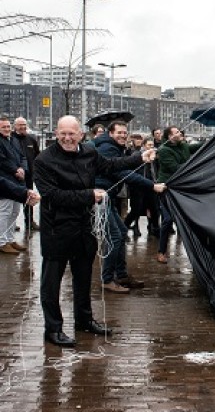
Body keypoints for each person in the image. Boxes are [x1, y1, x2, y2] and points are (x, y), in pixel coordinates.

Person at [33, 115, 157, 347]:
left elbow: (110, 165)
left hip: (84, 226)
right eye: (63, 134)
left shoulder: (89, 152)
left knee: (83, 276)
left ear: (81, 134)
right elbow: (53, 195)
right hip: (57, 228)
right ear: (56, 134)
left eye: (72, 133)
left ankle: (84, 320)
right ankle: (53, 328)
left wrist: (139, 157)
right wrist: (90, 195)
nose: (68, 138)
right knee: (51, 282)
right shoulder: (43, 160)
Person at [94, 121, 166, 292]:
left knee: (122, 232)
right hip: (100, 197)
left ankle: (122, 275)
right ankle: (108, 279)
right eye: (119, 132)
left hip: (108, 197)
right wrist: (151, 185)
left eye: (125, 133)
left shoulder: (113, 147)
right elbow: (121, 172)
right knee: (115, 237)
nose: (123, 135)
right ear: (110, 133)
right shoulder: (106, 149)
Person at [155, 126, 191, 264]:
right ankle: (161, 251)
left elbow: (201, 146)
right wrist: (192, 165)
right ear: (169, 136)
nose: (179, 133)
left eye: (179, 131)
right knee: (167, 220)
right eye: (176, 132)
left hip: (181, 188)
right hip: (166, 188)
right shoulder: (164, 150)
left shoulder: (183, 146)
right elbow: (175, 168)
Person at [0, 115, 28, 253]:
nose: (6, 129)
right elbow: (2, 161)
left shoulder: (13, 140)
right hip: (5, 182)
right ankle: (2, 241)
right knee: (5, 212)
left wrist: (23, 169)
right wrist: (16, 170)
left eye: (7, 126)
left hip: (18, 181)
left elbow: (23, 156)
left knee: (14, 212)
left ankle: (10, 239)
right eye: (3, 127)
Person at [124, 136, 160, 238]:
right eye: (149, 145)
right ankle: (125, 228)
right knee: (136, 210)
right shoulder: (137, 155)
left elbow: (156, 169)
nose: (151, 147)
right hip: (138, 187)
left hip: (151, 186)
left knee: (154, 209)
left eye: (152, 145)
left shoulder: (154, 156)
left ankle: (156, 229)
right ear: (143, 146)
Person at [12, 117, 40, 232]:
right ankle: (11, 223)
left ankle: (29, 221)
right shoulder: (11, 139)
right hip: (14, 176)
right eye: (20, 125)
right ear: (15, 126)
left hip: (29, 176)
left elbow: (38, 156)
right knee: (12, 201)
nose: (22, 127)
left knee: (29, 199)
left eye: (24, 124)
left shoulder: (31, 139)